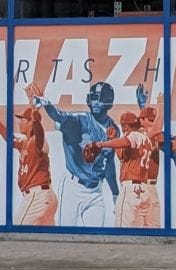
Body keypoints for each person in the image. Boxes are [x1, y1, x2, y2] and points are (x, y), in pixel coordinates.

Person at [36, 81, 120, 227]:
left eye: (100, 98)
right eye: (94, 98)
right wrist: (47, 105)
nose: (96, 102)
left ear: (108, 102)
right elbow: (60, 116)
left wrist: (115, 193)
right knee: (65, 235)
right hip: (73, 188)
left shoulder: (113, 130)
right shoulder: (81, 120)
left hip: (96, 191)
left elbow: (109, 164)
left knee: (96, 236)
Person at [85, 99, 162, 228]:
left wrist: (101, 144)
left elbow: (126, 141)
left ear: (125, 126)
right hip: (144, 190)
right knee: (143, 232)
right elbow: (123, 156)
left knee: (123, 230)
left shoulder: (134, 135)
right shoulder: (146, 139)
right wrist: (113, 139)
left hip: (131, 190)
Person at [0, 103, 55, 226]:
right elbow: (11, 139)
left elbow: (39, 133)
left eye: (22, 120)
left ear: (31, 123)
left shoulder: (38, 141)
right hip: (43, 197)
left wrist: (35, 114)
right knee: (46, 235)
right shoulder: (25, 142)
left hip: (38, 196)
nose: (19, 123)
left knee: (18, 228)